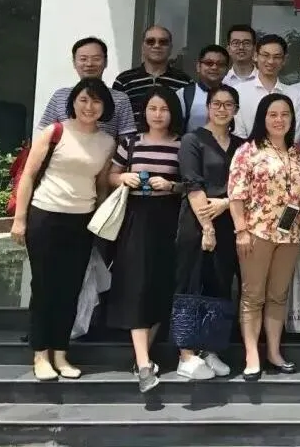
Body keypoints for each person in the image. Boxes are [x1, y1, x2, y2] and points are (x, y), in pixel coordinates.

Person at [10, 78, 116, 382]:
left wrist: (102, 217)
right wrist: (20, 219)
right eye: (83, 100)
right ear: (73, 102)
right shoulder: (54, 132)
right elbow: (28, 176)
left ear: (105, 107)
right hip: (45, 216)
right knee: (45, 287)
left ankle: (60, 352)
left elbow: (100, 185)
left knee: (71, 288)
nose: (89, 107)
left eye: (96, 101)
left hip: (81, 222)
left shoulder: (107, 142)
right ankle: (40, 353)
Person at [105, 86, 185, 392]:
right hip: (136, 217)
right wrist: (122, 178)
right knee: (136, 285)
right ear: (145, 112)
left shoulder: (182, 144)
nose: (158, 114)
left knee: (162, 285)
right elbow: (110, 176)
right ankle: (143, 364)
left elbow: (190, 184)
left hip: (169, 219)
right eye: (153, 108)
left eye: (164, 109)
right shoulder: (131, 142)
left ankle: (145, 355)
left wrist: (171, 185)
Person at [228, 93, 300, 380]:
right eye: (273, 114)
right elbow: (236, 193)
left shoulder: (296, 152)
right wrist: (240, 230)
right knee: (252, 296)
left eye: (285, 114)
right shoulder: (248, 150)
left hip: (291, 234)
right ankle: (252, 355)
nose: (279, 120)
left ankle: (274, 352)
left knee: (278, 295)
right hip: (256, 232)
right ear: (263, 118)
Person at [174, 85, 242, 381]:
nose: (222, 109)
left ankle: (211, 349)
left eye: (228, 104)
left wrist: (226, 203)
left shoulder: (242, 145)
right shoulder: (193, 140)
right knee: (190, 285)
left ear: (236, 110)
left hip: (230, 221)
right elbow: (193, 184)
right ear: (208, 107)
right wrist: (207, 227)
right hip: (197, 221)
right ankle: (186, 354)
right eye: (217, 104)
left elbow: (247, 185)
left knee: (220, 285)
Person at [36, 36, 137, 140]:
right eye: (83, 59)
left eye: (96, 59)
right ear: (74, 62)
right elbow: (42, 135)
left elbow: (127, 141)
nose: (89, 64)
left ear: (106, 62)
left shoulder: (121, 99)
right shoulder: (60, 96)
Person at [113, 25, 192, 129]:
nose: (157, 45)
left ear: (170, 48)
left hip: (174, 138)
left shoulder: (185, 82)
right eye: (150, 41)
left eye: (163, 42)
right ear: (142, 47)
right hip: (130, 139)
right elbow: (114, 118)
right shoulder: (123, 81)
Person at [234, 34, 291, 138]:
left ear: (284, 60)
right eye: (265, 55)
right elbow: (238, 133)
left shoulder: (294, 94)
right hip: (246, 147)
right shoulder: (238, 91)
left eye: (277, 57)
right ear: (255, 56)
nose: (270, 61)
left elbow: (294, 134)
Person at [177, 45, 231, 133]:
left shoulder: (232, 96)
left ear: (227, 70)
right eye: (209, 63)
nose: (214, 67)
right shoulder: (184, 94)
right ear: (198, 66)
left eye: (220, 64)